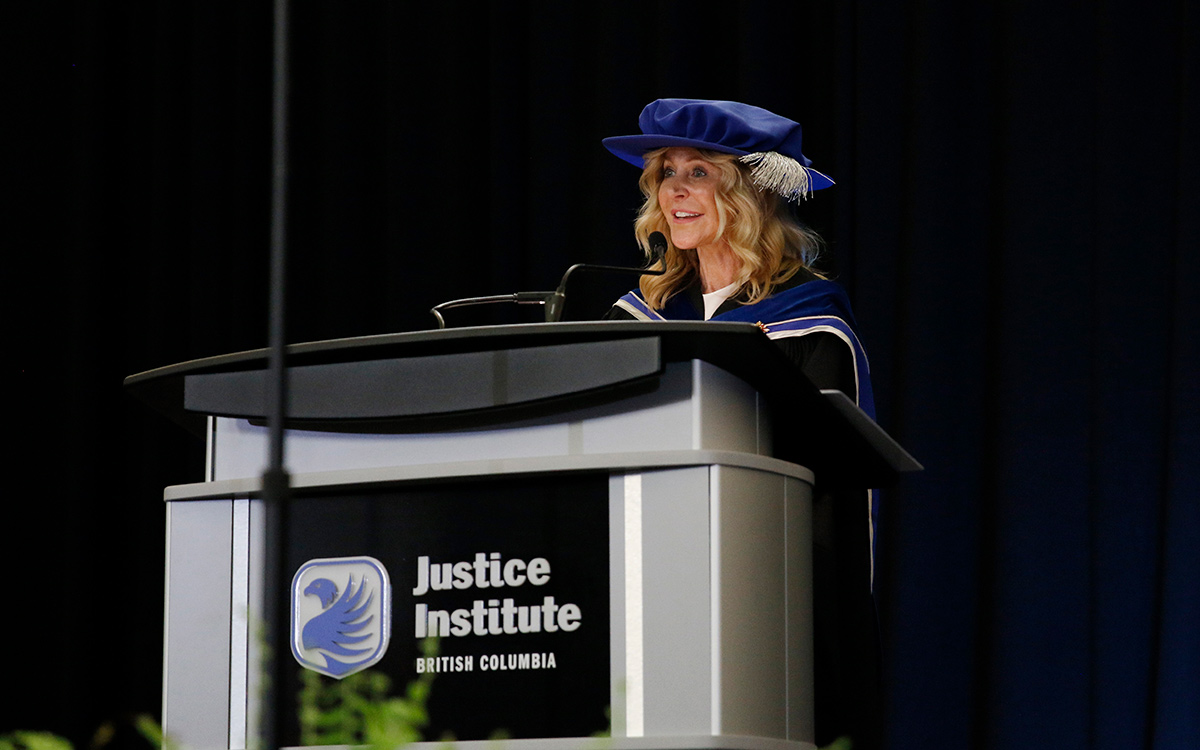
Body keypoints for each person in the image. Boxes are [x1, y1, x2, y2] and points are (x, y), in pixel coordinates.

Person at [602, 98, 883, 750]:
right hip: (647, 603)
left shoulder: (810, 328)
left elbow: (830, 503)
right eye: (664, 171)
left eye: (698, 171)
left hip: (758, 607)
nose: (674, 189)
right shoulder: (635, 319)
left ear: (749, 190)